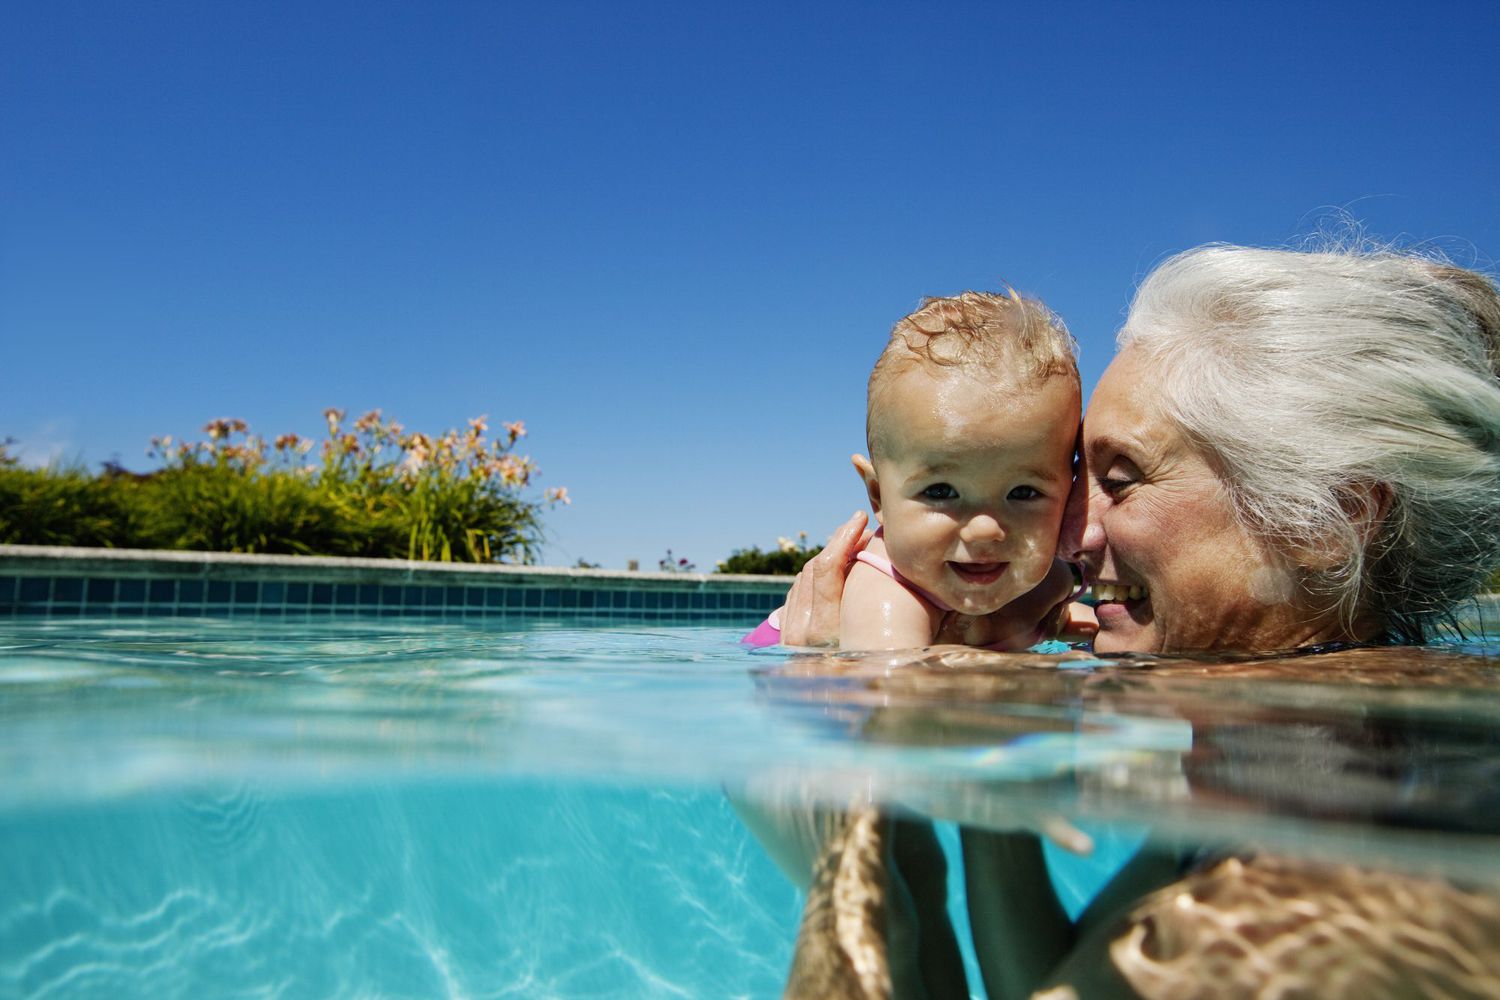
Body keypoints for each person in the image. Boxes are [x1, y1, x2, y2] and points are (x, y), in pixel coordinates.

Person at [767, 242, 1500, 998]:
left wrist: (844, 796)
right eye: (1077, 478)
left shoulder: (1357, 844)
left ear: (1325, 522)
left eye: (1119, 479)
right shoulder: (1287, 757)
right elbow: (1048, 980)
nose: (1067, 529)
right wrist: (990, 733)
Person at [745, 290, 1082, 654]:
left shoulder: (1042, 575)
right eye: (940, 491)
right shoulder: (885, 593)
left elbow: (1058, 612)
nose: (986, 528)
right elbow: (901, 696)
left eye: (1024, 493)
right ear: (878, 495)